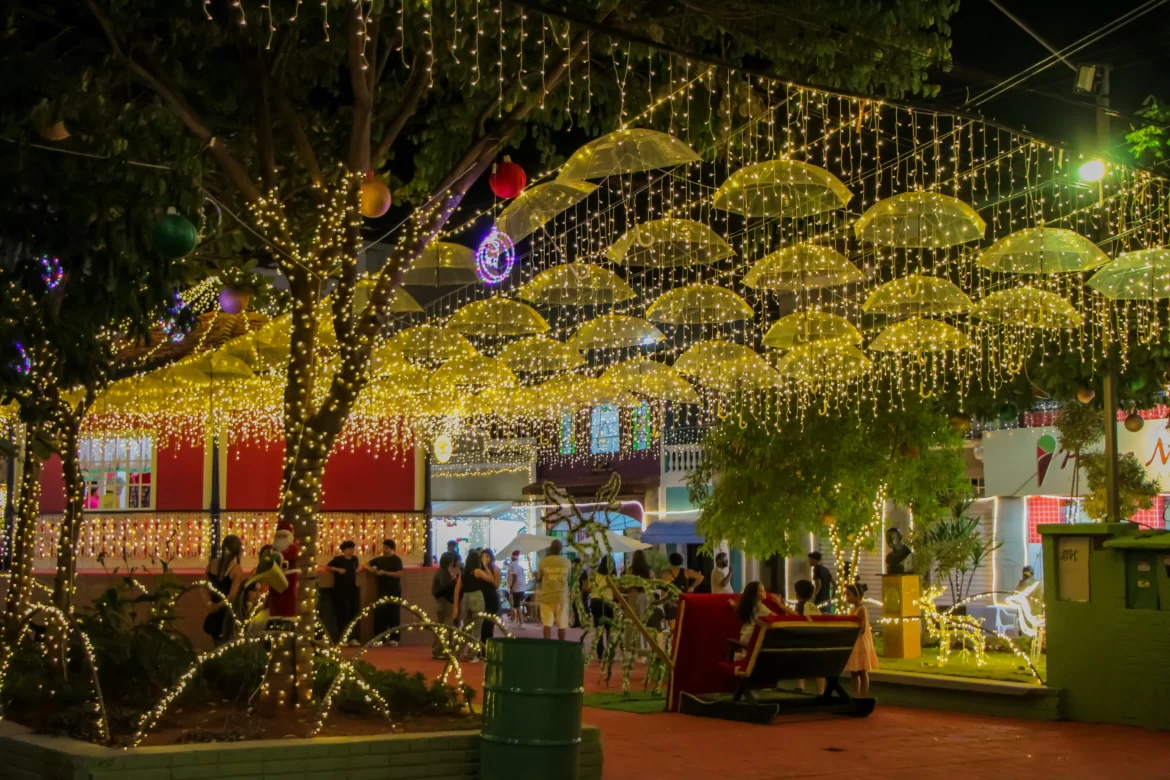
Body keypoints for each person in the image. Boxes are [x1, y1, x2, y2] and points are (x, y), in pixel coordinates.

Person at [203, 535, 245, 645]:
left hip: (214, 612)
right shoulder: (236, 569)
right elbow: (232, 596)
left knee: (216, 645)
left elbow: (203, 587)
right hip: (227, 614)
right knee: (226, 647)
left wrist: (210, 604)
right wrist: (219, 606)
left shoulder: (212, 564)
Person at [454, 549, 492, 662]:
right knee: (477, 628)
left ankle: (459, 651)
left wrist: (456, 606)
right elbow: (491, 579)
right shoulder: (477, 571)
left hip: (465, 599)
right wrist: (485, 566)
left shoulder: (463, 573)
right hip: (476, 598)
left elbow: (457, 589)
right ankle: (473, 654)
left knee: (466, 628)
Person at [843, 583, 878, 696]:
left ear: (857, 596)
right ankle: (855, 694)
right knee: (854, 671)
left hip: (860, 642)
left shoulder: (862, 609)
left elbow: (862, 628)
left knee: (862, 671)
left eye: (848, 595)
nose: (846, 597)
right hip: (854, 642)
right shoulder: (853, 609)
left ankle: (863, 695)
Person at [368, 539, 404, 646]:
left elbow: (400, 573)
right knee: (380, 614)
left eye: (387, 548)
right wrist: (370, 569)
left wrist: (385, 572)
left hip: (394, 589)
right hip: (381, 590)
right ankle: (379, 638)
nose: (384, 549)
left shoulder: (397, 560)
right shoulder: (379, 559)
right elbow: (365, 564)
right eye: (383, 547)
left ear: (392, 549)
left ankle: (394, 639)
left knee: (394, 614)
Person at [792, 579, 825, 695]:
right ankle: (820, 692)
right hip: (817, 641)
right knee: (819, 669)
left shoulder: (800, 606)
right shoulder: (814, 607)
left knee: (800, 663)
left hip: (804, 641)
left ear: (797, 594)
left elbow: (796, 618)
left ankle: (800, 686)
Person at [326, 540, 361, 646]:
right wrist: (338, 569)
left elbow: (356, 568)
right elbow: (328, 566)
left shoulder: (355, 559)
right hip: (341, 590)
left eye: (353, 549)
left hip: (352, 589)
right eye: (349, 549)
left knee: (353, 613)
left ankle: (353, 638)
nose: (352, 551)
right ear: (344, 550)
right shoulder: (338, 559)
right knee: (342, 614)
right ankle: (342, 638)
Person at [536, 539, 572, 640]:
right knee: (562, 625)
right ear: (561, 549)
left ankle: (547, 645)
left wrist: (536, 577)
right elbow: (568, 580)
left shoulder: (543, 561)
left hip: (547, 597)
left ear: (550, 549)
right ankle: (561, 646)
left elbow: (539, 579)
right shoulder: (567, 562)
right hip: (562, 597)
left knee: (547, 624)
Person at [431, 552, 459, 659]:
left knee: (441, 626)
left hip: (441, 602)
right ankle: (438, 650)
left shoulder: (442, 572)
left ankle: (437, 648)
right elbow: (444, 589)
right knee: (446, 627)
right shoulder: (443, 573)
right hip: (445, 602)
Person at [663, 552, 703, 626]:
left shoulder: (665, 574)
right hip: (683, 601)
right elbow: (700, 577)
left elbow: (663, 591)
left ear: (670, 561)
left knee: (673, 630)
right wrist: (692, 587)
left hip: (670, 603)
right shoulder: (686, 572)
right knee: (684, 626)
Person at [590, 556, 617, 656]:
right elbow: (615, 591)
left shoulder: (595, 574)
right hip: (608, 601)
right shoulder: (612, 576)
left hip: (595, 601)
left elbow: (587, 587)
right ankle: (610, 651)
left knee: (598, 626)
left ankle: (600, 651)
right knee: (609, 626)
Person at [479, 548, 502, 644]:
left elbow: (496, 585)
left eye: (487, 556)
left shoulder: (495, 569)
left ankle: (488, 648)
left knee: (489, 626)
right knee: (480, 626)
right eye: (483, 556)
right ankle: (480, 648)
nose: (485, 558)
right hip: (480, 598)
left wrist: (486, 567)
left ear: (491, 557)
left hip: (491, 598)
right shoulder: (479, 569)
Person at [507, 549, 528, 626]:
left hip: (517, 588)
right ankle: (517, 621)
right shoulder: (519, 566)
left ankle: (521, 622)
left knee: (517, 606)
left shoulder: (513, 565)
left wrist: (511, 586)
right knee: (516, 606)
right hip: (521, 588)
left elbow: (514, 576)